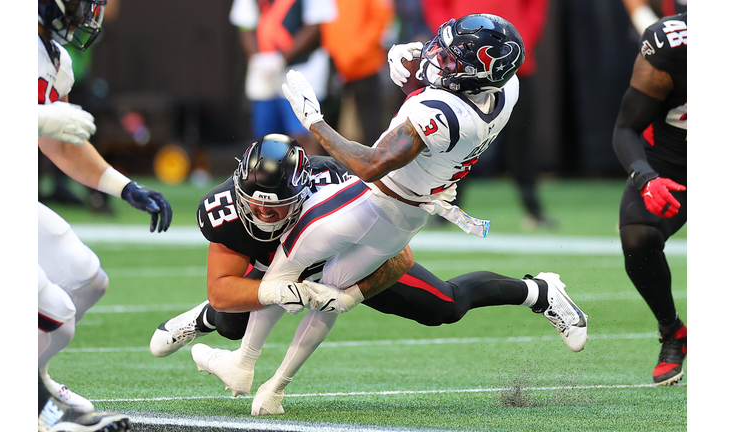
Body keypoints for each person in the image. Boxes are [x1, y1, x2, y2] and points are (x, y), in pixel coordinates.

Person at [184, 14, 586, 415]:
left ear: (473, 78)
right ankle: (272, 387)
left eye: (449, 62)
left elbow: (373, 164)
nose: (436, 59)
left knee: (290, 274)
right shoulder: (505, 88)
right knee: (333, 299)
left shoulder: (443, 113)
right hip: (408, 215)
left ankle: (244, 363)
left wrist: (315, 122)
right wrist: (411, 64)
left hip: (369, 199)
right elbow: (448, 91)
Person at [149, 134, 587, 414]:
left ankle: (539, 290)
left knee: (446, 307)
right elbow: (224, 288)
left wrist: (352, 293)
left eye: (275, 206)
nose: (263, 212)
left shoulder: (335, 185)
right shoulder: (223, 209)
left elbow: (400, 257)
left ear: (302, 194)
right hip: (269, 268)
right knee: (229, 319)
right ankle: (202, 318)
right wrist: (267, 291)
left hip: (347, 261)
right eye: (255, 203)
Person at [37, 1, 172, 430]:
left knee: (86, 278)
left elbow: (61, 142)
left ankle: (31, 382)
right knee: (54, 314)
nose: (89, 12)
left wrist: (123, 186)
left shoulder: (54, 57)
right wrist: (36, 116)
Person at [418, 0, 554, 230]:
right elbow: (434, 6)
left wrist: (517, 46)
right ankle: (445, 209)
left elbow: (536, 7)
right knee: (460, 140)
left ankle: (533, 209)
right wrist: (456, 45)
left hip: (512, 68)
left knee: (520, 141)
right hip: (466, 68)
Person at [611, 12, 686, 385]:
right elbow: (626, 127)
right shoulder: (670, 46)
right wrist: (645, 177)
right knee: (638, 236)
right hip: (673, 164)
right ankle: (673, 331)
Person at [229, 0, 338, 156]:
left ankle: (309, 178)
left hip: (303, 68)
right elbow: (244, 25)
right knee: (266, 138)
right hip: (263, 69)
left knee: (302, 135)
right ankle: (272, 179)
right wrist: (258, 59)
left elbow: (315, 26)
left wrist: (282, 59)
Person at [320, 0, 394, 146]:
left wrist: (355, 52)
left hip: (365, 66)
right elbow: (327, 21)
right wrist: (334, 52)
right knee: (329, 123)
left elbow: (380, 19)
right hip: (336, 64)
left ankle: (378, 164)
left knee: (371, 125)